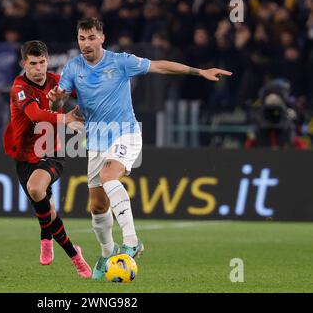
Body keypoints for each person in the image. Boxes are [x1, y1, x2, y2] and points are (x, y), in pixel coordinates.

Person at [47, 17, 232, 280]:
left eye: (90, 38)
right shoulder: (73, 68)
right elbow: (58, 107)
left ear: (101, 38)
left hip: (126, 133)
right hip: (96, 139)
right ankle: (108, 252)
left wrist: (198, 72)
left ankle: (132, 241)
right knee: (97, 206)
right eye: (81, 38)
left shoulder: (120, 61)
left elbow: (160, 66)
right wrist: (56, 103)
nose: (85, 43)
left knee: (109, 176)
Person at [3, 40, 92, 278]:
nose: (39, 68)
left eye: (42, 62)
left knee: (35, 188)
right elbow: (35, 114)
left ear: (47, 60)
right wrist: (67, 120)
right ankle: (64, 245)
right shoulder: (19, 88)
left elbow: (84, 91)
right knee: (47, 210)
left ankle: (72, 258)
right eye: (33, 64)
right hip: (24, 156)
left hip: (52, 150)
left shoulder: (56, 81)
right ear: (24, 64)